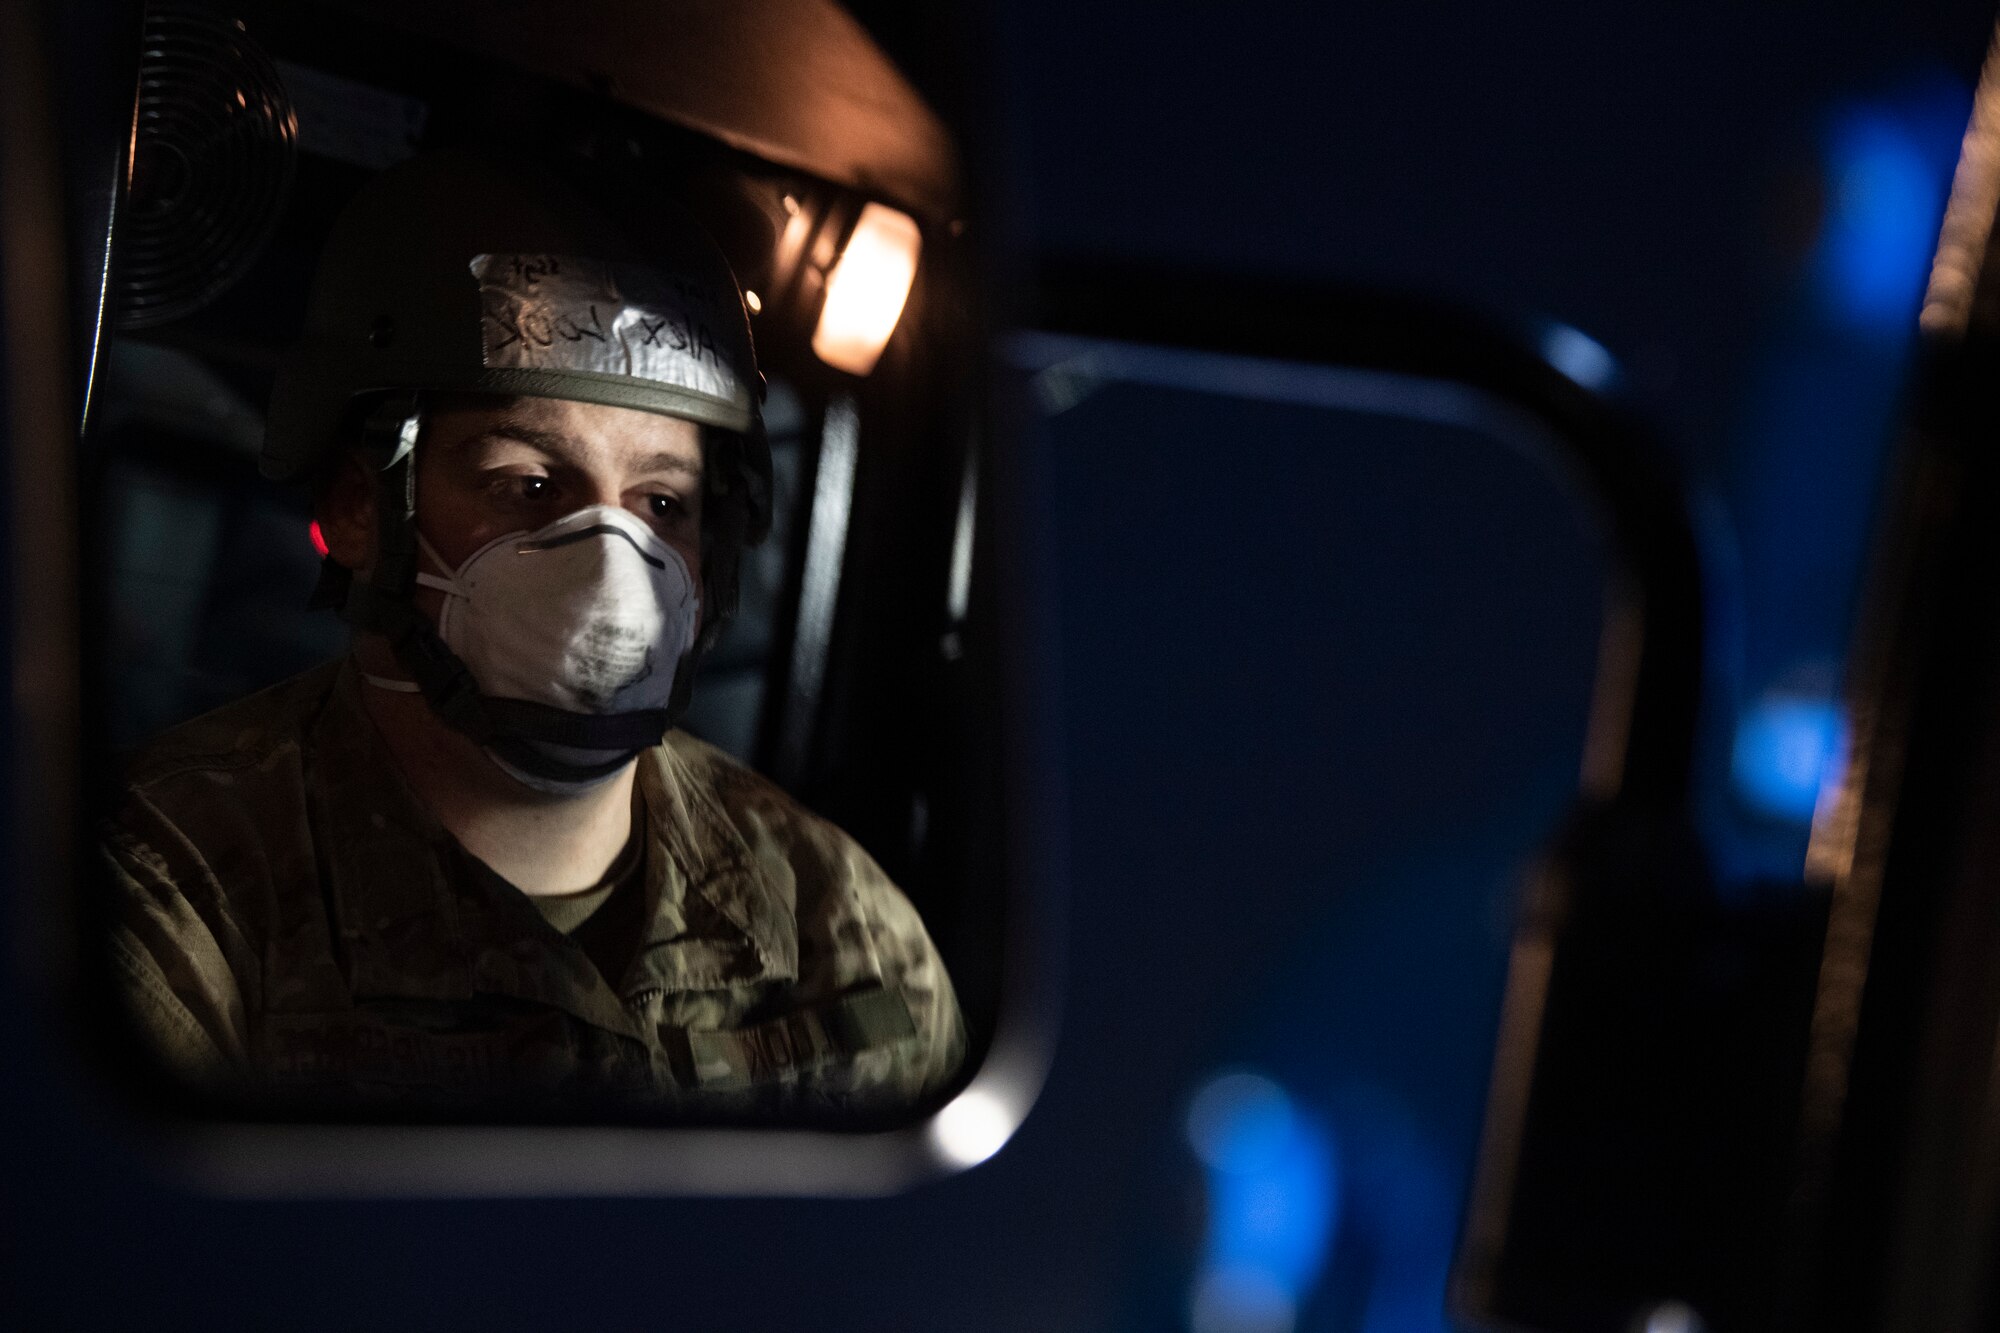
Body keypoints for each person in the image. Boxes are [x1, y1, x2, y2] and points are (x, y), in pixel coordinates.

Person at [102, 151, 966, 1117]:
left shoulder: (838, 920)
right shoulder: (161, 901)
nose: (611, 560)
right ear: (358, 507)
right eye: (530, 486)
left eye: (662, 500)